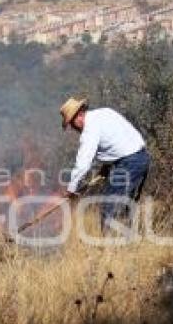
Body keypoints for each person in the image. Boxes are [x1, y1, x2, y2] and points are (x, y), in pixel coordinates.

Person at [59, 96, 150, 233]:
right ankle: (129, 243)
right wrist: (108, 166)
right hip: (141, 158)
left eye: (71, 124)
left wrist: (72, 188)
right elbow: (118, 140)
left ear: (78, 116)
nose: (73, 128)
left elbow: (83, 164)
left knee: (109, 206)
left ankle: (108, 249)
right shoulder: (105, 112)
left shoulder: (89, 130)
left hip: (129, 163)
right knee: (126, 206)